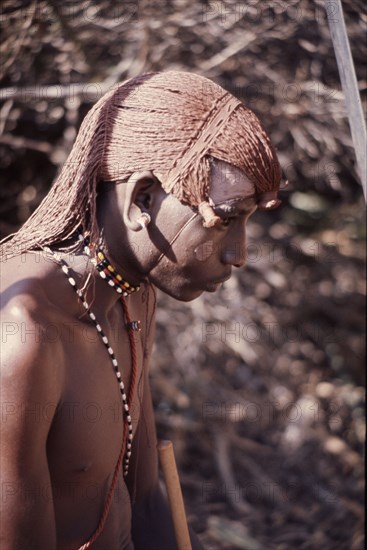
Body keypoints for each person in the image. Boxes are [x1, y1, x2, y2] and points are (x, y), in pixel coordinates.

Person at [0, 71, 282, 550]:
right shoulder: (24, 340)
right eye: (224, 220)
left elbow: (146, 495)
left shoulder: (132, 292)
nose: (239, 254)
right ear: (143, 200)